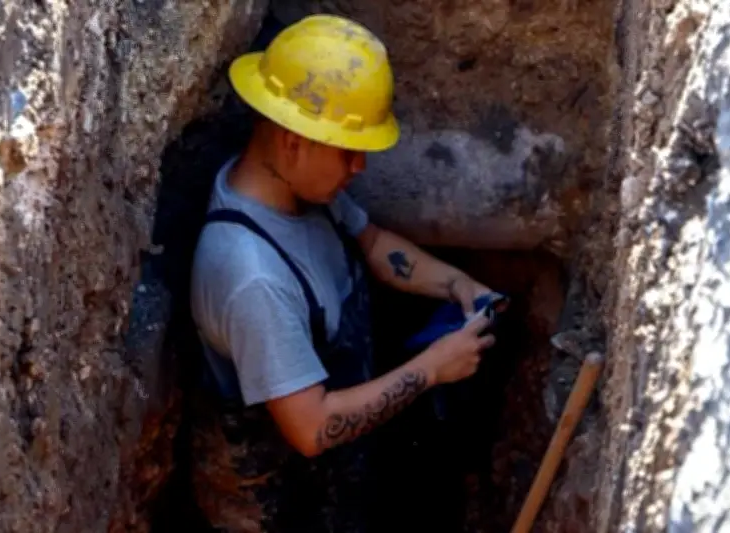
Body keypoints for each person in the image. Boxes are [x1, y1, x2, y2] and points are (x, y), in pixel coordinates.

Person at [188, 13, 500, 533]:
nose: (360, 168)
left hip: (335, 472)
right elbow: (311, 428)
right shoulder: (253, 279)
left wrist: (455, 284)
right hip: (282, 507)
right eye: (348, 152)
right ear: (294, 141)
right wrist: (432, 368)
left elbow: (374, 244)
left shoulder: (300, 192)